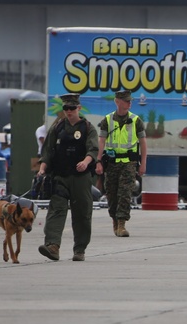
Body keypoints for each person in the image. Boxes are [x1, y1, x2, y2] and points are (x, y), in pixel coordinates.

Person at [37, 93, 99, 261]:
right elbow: (48, 151)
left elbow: (93, 150)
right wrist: (42, 169)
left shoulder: (87, 127)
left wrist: (86, 162)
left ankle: (79, 249)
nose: (69, 111)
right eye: (66, 108)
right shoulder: (57, 128)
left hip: (81, 178)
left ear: (78, 108)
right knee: (56, 209)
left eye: (72, 108)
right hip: (60, 176)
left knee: (82, 213)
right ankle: (52, 246)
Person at [96, 89, 147, 237]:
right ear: (117, 102)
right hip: (111, 162)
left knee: (125, 193)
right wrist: (98, 161)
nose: (129, 103)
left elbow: (143, 143)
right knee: (111, 193)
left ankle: (122, 224)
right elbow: (101, 141)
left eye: (130, 100)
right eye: (126, 100)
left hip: (129, 162)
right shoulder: (107, 120)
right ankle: (114, 220)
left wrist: (143, 163)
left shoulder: (136, 120)